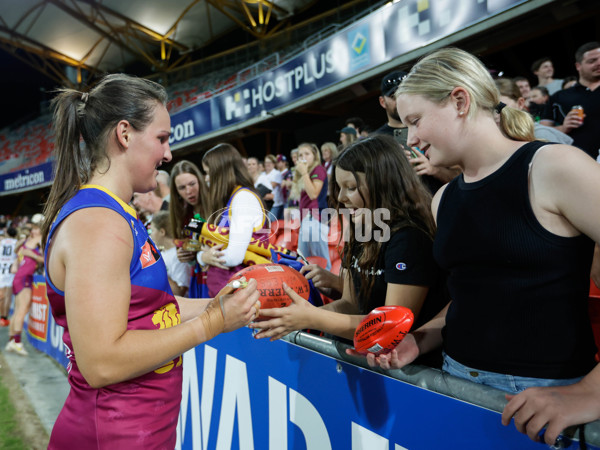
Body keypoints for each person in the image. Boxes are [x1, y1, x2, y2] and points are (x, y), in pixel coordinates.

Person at [363, 46, 600, 446]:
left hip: (541, 398)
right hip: (455, 382)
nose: (412, 138)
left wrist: (592, 391)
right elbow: (473, 294)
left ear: (459, 100)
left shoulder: (553, 166)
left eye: (416, 121)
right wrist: (421, 339)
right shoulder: (443, 199)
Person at [41, 74, 260, 448]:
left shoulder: (119, 215)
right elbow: (102, 363)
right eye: (161, 138)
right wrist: (213, 322)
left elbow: (151, 307)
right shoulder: (98, 222)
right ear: (124, 134)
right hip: (111, 436)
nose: (169, 153)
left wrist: (221, 304)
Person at [252, 134, 447, 345]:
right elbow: (350, 304)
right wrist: (294, 318)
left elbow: (390, 327)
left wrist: (314, 317)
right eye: (339, 187)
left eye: (351, 188)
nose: (341, 198)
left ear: (384, 184)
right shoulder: (362, 229)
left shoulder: (409, 238)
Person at [199, 143, 268, 296]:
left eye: (208, 173)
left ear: (220, 173)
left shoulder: (243, 198)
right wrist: (203, 256)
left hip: (243, 296)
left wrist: (204, 257)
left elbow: (234, 256)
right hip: (231, 295)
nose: (207, 179)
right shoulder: (233, 199)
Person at [540, 41, 600, 159]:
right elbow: (542, 132)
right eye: (592, 61)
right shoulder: (559, 97)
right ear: (578, 66)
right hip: (580, 163)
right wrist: (563, 128)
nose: (599, 63)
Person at [168, 159, 209, 297]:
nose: (189, 191)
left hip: (219, 275)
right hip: (198, 278)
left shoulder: (216, 205)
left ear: (201, 180)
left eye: (192, 184)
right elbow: (185, 245)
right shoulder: (183, 215)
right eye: (181, 188)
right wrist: (183, 254)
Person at [5, 214, 44, 356]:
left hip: (19, 277)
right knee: (21, 310)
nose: (33, 231)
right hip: (24, 278)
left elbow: (18, 252)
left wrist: (25, 251)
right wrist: (32, 254)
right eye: (33, 229)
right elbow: (44, 259)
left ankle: (11, 341)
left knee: (17, 310)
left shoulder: (27, 241)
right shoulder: (36, 240)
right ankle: (17, 342)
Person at [494, 78, 573, 145]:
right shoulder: (493, 140)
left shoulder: (541, 135)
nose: (495, 114)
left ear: (520, 104)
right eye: (487, 108)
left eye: (501, 106)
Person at [291, 142, 331, 269]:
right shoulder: (305, 173)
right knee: (304, 259)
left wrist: (303, 173)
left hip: (316, 218)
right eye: (300, 155)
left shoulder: (318, 169)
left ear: (314, 155)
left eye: (307, 154)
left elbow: (313, 194)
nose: (303, 157)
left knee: (322, 262)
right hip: (306, 219)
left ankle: (330, 287)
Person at [150, 211, 191, 297]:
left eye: (152, 231)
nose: (150, 235)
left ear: (162, 232)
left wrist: (158, 268)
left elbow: (180, 292)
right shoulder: (163, 253)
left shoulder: (178, 255)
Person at [0, 224, 17, 327]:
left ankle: (1, 317)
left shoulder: (1, 242)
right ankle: (5, 318)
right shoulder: (16, 243)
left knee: (1, 296)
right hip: (10, 270)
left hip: (1, 270)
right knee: (7, 296)